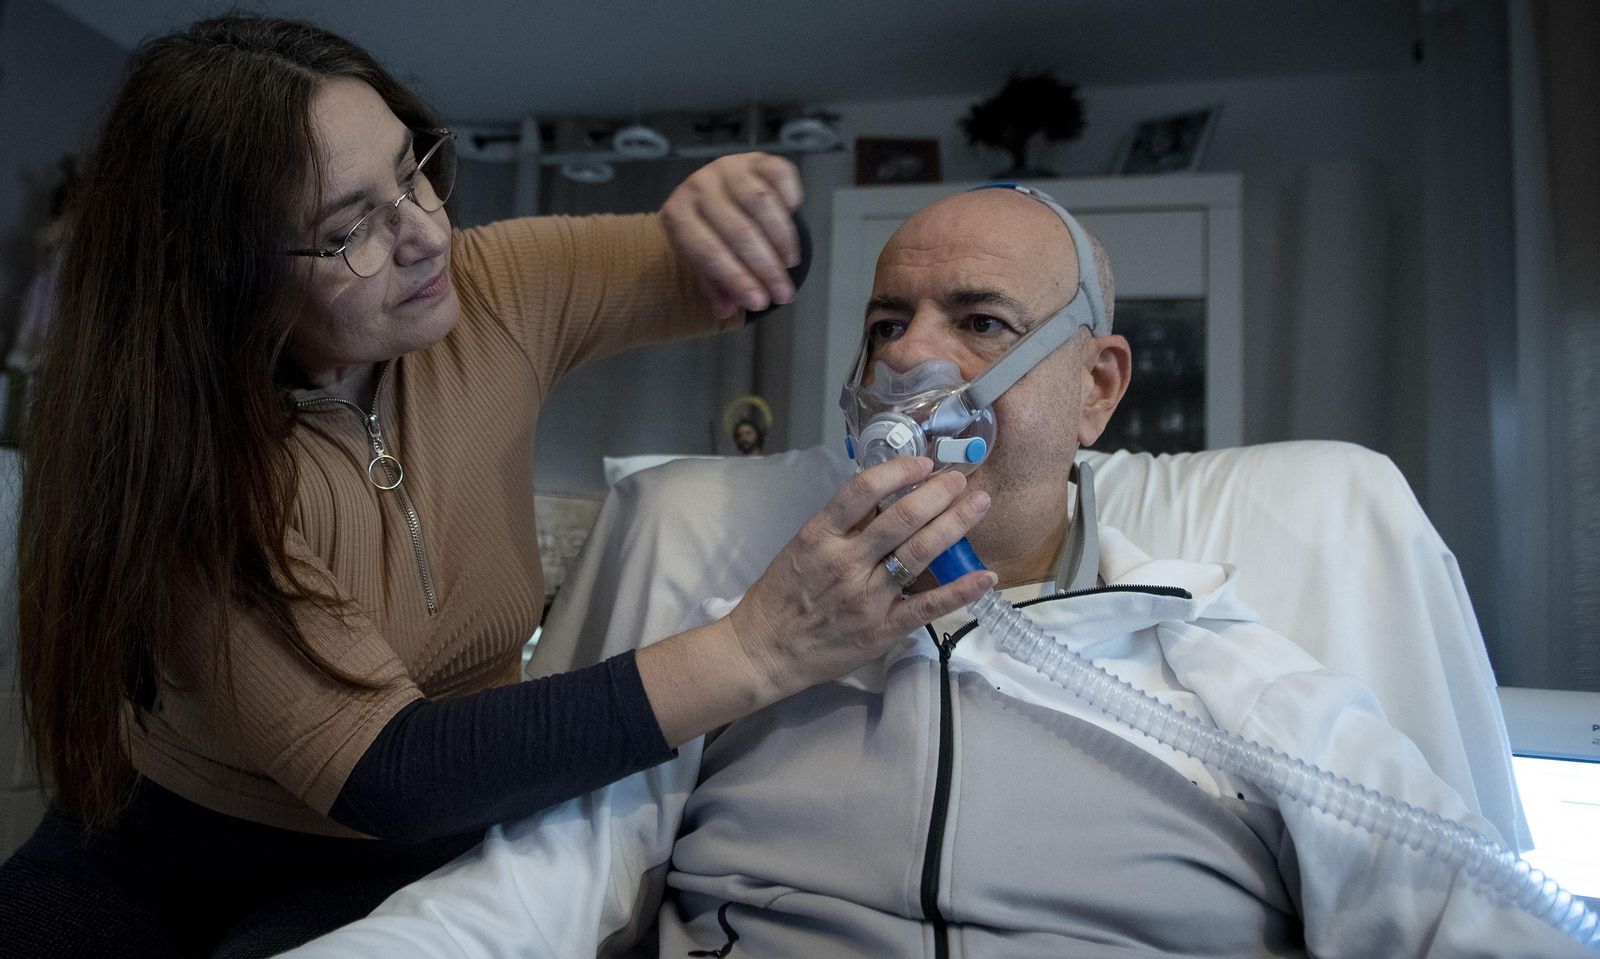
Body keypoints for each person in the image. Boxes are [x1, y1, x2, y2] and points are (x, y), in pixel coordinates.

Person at [279, 186, 1590, 958]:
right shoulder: (748, 626)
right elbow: (531, 889)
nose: (915, 363)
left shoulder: (1222, 663)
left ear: (1096, 386)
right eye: (886, 321)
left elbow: (1467, 913)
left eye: (981, 324)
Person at [0, 15, 995, 958]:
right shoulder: (193, 471)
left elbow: (742, 277)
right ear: (222, 278)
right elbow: (393, 770)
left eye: (415, 170)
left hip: (406, 854)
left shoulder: (496, 288)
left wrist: (752, 207)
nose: (427, 232)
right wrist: (758, 646)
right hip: (163, 846)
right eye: (354, 229)